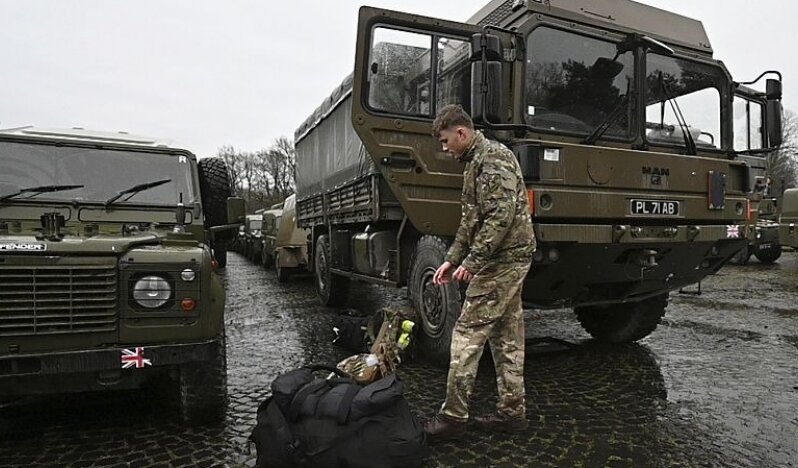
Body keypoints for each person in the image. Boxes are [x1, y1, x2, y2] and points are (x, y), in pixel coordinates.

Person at [423, 104, 536, 440]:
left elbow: (501, 216)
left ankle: (453, 419)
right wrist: (452, 258)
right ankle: (512, 415)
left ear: (462, 133)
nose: (444, 149)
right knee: (507, 338)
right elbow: (471, 220)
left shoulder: (492, 159)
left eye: (445, 141)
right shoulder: (475, 161)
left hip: (503, 261)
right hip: (506, 258)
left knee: (466, 335)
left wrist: (472, 263)